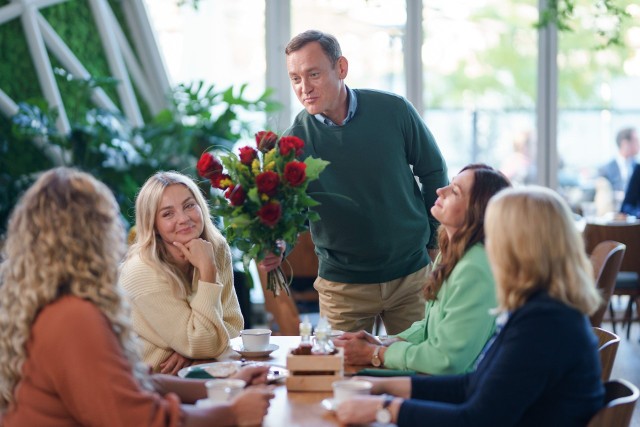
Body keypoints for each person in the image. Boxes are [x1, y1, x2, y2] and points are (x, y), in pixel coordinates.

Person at [0, 167, 274, 426]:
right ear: (91, 237)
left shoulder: (60, 304)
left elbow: (133, 380)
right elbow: (140, 419)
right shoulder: (73, 316)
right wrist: (232, 413)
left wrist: (228, 384)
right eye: (109, 220)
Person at [335, 186, 604, 427]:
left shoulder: (544, 323)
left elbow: (477, 419)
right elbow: (471, 386)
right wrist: (380, 385)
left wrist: (386, 408)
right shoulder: (541, 310)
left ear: (519, 247)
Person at [260, 29, 449, 335]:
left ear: (341, 68)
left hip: (411, 276)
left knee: (419, 373)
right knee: (342, 377)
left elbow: (434, 173)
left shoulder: (394, 110)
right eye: (295, 78)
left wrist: (432, 241)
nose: (304, 87)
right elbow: (292, 217)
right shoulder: (293, 142)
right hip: (342, 287)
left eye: (314, 74)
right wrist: (279, 244)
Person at [334, 164, 510, 373]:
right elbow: (431, 327)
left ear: (477, 211)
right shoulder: (450, 252)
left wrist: (375, 354)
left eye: (454, 191)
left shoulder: (475, 268)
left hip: (456, 391)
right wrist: (385, 343)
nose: (440, 191)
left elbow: (447, 361)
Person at [120, 171, 243, 374]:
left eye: (189, 205)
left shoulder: (215, 247)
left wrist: (194, 350)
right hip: (154, 383)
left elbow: (233, 324)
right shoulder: (141, 272)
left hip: (204, 371)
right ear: (154, 225)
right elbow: (207, 342)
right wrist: (207, 272)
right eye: (168, 214)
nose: (184, 219)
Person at [598, 127, 639, 194]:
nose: (639, 144)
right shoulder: (606, 170)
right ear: (625, 144)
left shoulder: (636, 167)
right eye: (636, 141)